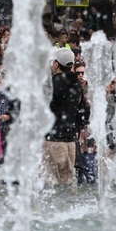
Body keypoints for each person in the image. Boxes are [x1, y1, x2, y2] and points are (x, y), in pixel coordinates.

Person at [43, 48, 87, 187]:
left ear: (56, 63)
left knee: (51, 183)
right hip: (71, 141)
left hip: (53, 139)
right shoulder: (77, 85)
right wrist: (77, 128)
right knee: (67, 183)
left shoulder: (52, 84)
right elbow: (84, 110)